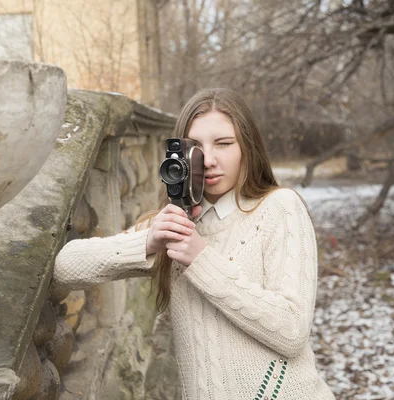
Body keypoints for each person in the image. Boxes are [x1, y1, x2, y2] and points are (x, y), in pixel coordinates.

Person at [53, 88, 334, 400]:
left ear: (247, 147)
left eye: (224, 144)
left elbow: (292, 331)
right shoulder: (174, 224)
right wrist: (148, 241)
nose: (210, 160)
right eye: (196, 147)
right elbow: (66, 267)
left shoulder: (279, 208)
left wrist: (201, 260)